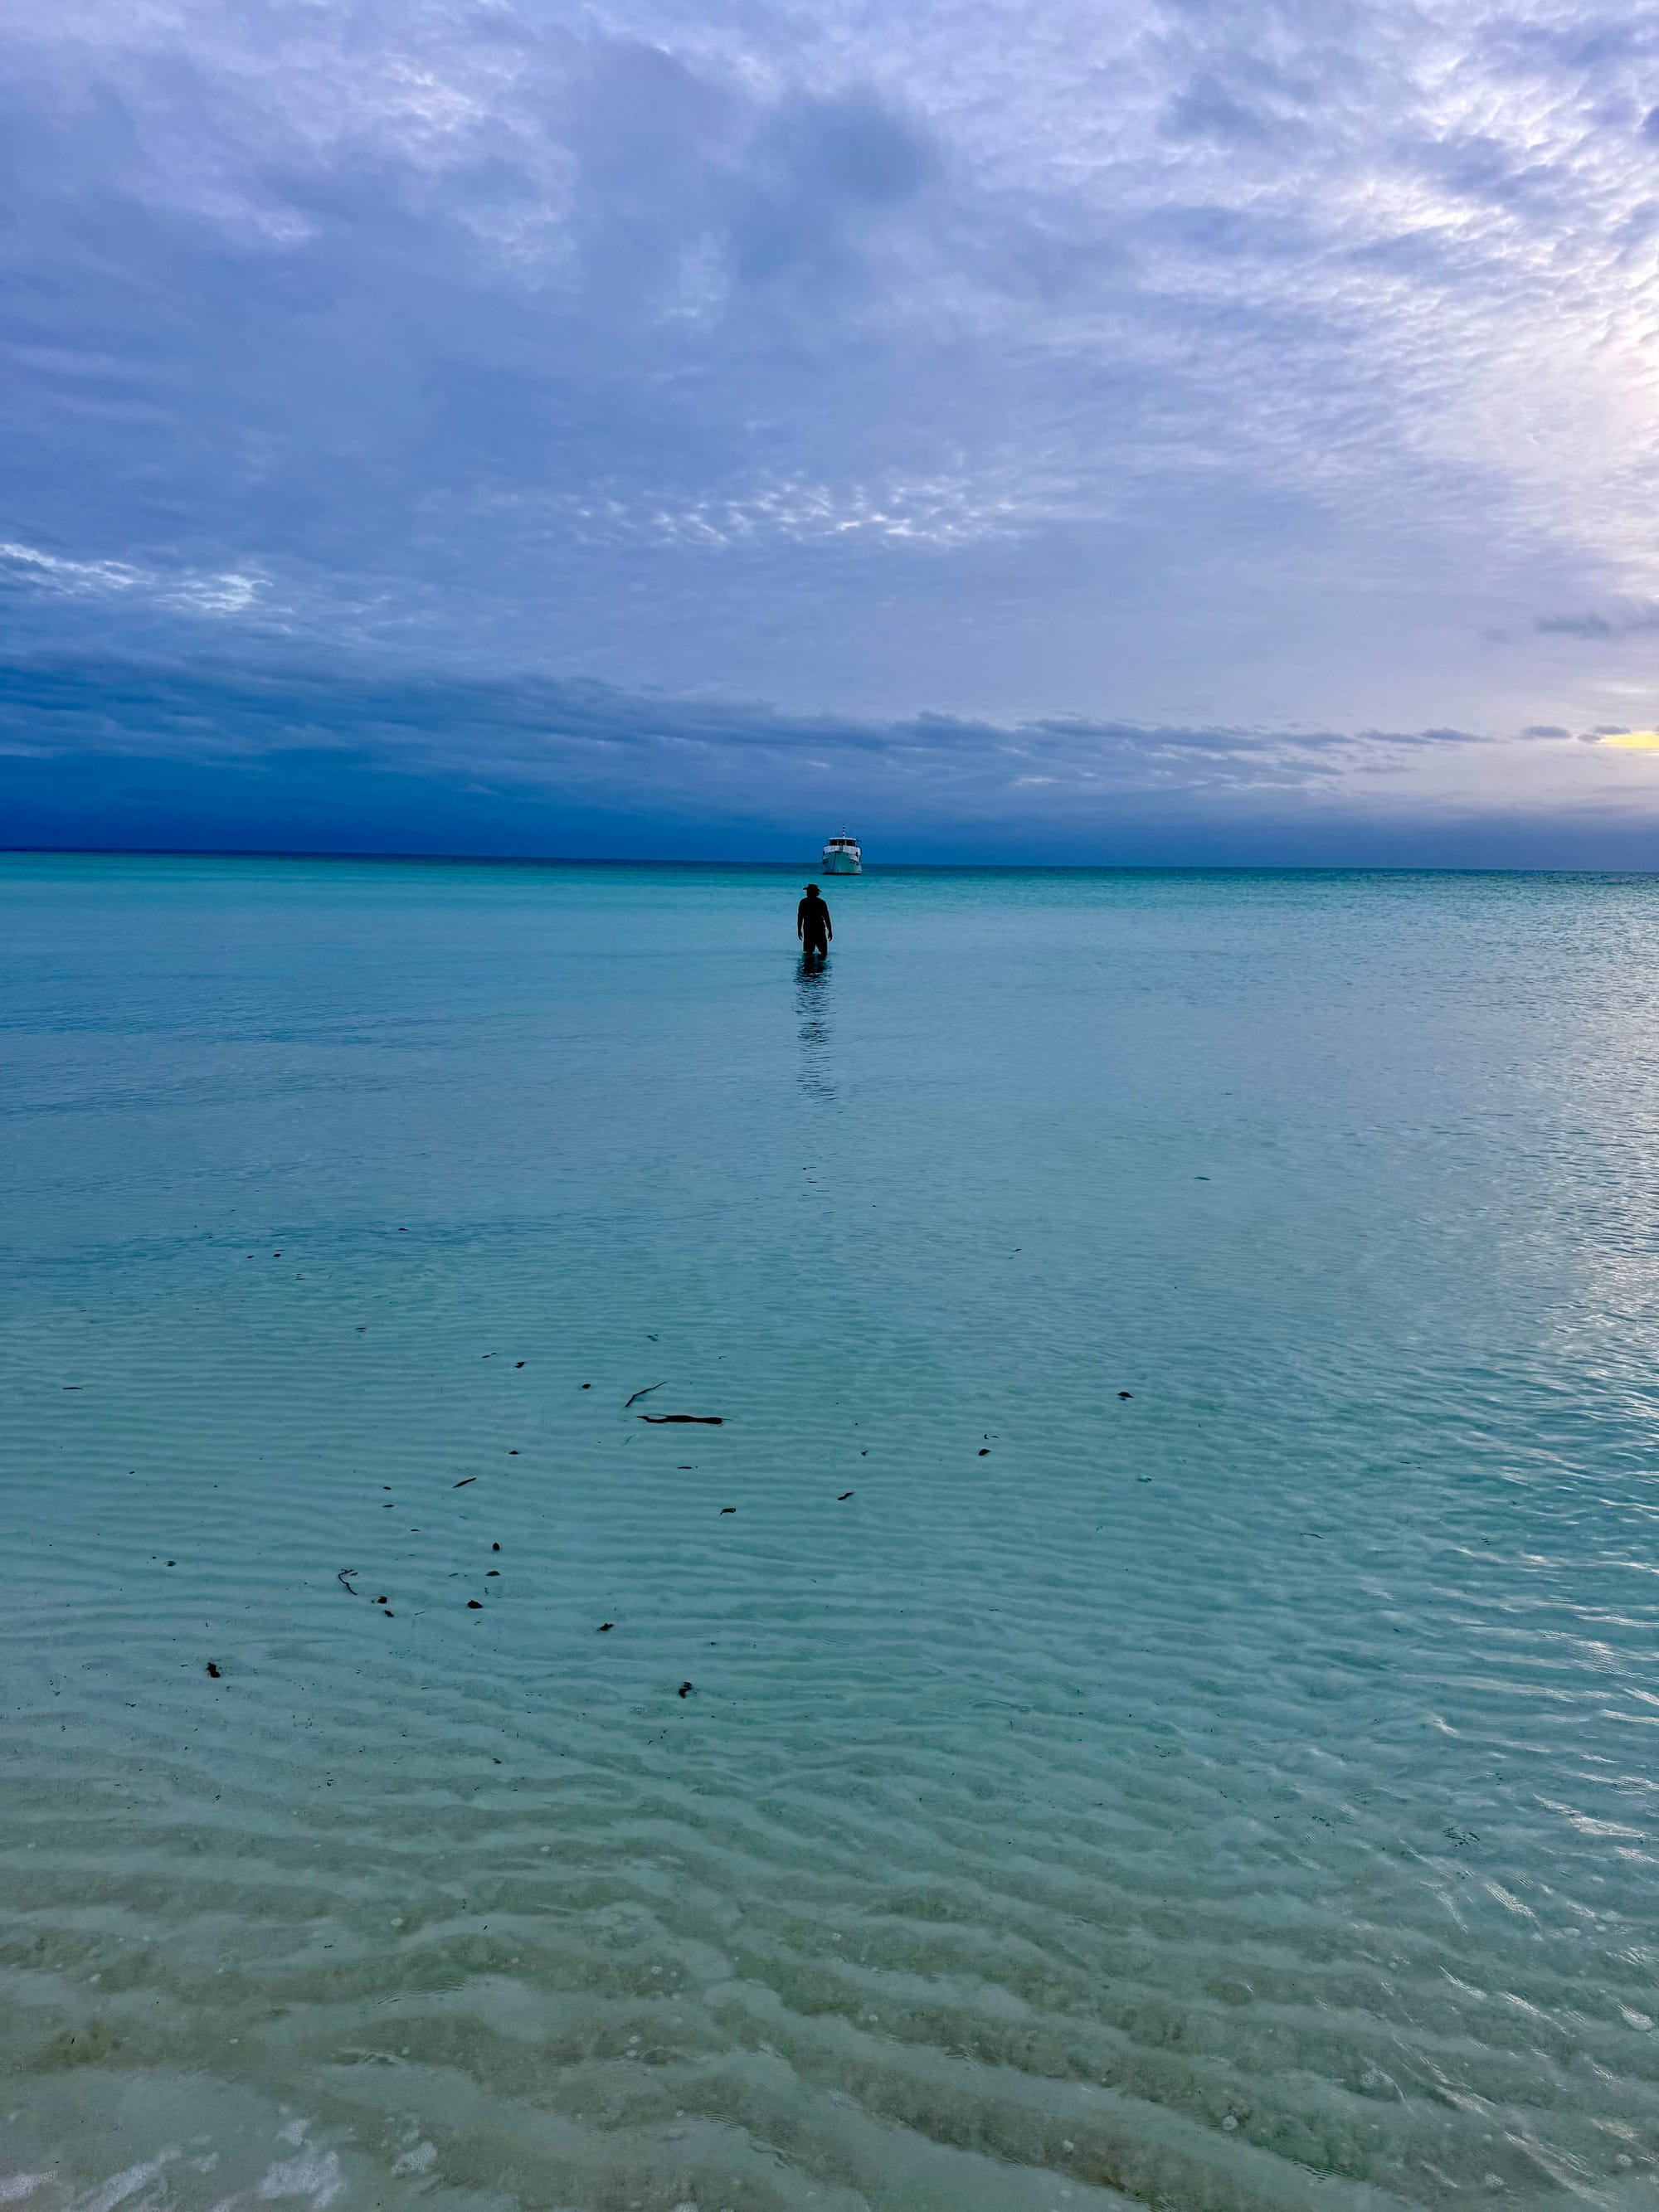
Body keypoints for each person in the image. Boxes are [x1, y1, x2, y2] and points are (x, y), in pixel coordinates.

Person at [797, 882, 832, 959]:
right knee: (823, 953)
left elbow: (800, 917)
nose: (807, 892)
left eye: (808, 891)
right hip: (818, 929)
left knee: (808, 954)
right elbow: (827, 918)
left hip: (809, 929)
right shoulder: (821, 902)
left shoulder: (803, 902)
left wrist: (799, 930)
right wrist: (830, 931)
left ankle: (809, 968)